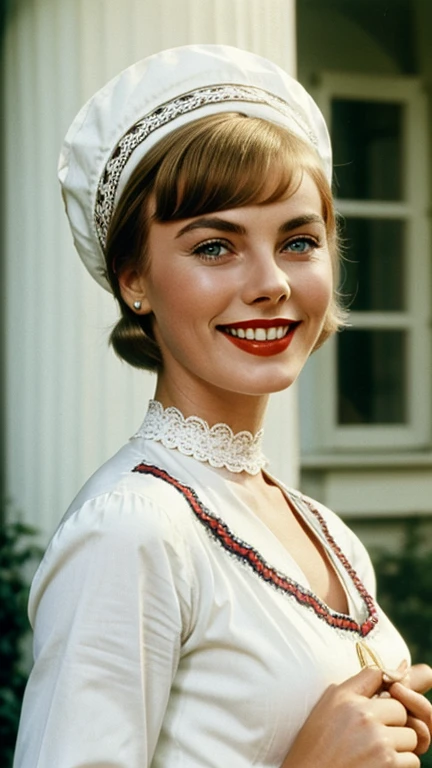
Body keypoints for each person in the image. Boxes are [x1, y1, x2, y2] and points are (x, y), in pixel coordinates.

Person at [13, 44, 432, 768]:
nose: (271, 282)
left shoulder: (324, 530)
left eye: (299, 240)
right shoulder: (134, 531)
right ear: (134, 280)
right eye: (215, 247)